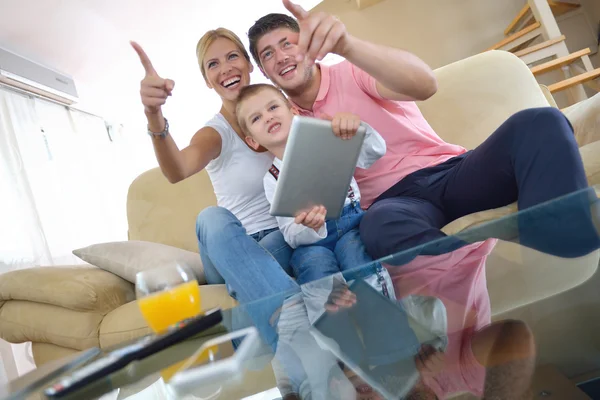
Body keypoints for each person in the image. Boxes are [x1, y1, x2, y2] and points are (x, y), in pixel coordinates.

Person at [247, 0, 600, 262]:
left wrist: (346, 46)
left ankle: (562, 238)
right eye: (267, 54)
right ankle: (471, 267)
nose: (280, 57)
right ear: (263, 70)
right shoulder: (286, 126)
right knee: (377, 229)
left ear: (307, 44)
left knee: (541, 121)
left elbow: (425, 84)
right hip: (394, 205)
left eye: (287, 43)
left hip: (453, 172)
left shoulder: (351, 71)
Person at [130, 29, 295, 292]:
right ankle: (248, 278)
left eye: (232, 57)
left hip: (285, 236)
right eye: (213, 64)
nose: (226, 68)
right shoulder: (215, 133)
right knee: (211, 218)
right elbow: (178, 170)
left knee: (286, 238)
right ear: (207, 80)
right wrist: (153, 114)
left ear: (249, 63)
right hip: (232, 246)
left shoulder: (279, 112)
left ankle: (253, 294)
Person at [235, 83, 386, 284]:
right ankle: (332, 314)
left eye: (273, 107)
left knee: (356, 256)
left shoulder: (328, 139)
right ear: (252, 141)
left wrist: (359, 129)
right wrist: (310, 227)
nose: (268, 117)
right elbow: (289, 233)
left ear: (294, 112)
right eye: (256, 118)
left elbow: (374, 152)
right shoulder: (271, 179)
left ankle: (382, 311)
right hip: (312, 243)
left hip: (351, 225)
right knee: (312, 266)